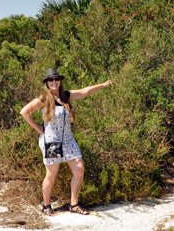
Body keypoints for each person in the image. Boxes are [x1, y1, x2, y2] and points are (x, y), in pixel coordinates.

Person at [20, 68, 114, 216]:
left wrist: (102, 85)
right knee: (51, 174)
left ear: (60, 81)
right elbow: (24, 112)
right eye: (50, 80)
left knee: (79, 169)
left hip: (68, 140)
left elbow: (85, 91)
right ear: (46, 83)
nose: (54, 82)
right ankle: (46, 206)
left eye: (56, 79)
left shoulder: (66, 96)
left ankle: (74, 204)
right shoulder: (44, 99)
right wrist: (38, 128)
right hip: (52, 141)